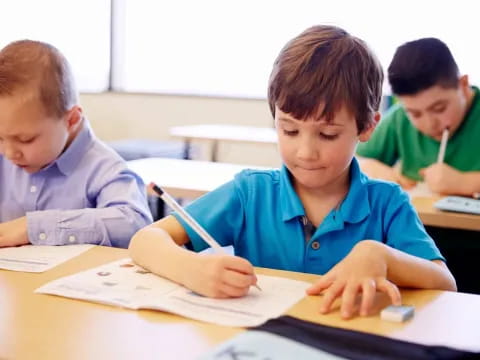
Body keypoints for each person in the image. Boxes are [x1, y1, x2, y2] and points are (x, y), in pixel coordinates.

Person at [129, 26, 456, 319]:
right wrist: (191, 268)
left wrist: (379, 255)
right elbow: (145, 240)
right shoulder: (251, 193)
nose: (305, 152)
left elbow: (446, 284)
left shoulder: (387, 203)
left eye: (327, 134)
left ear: (367, 127)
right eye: (289, 130)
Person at [0, 40, 152, 248]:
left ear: (71, 120)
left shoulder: (104, 169)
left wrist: (33, 227)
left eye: (25, 139)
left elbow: (134, 224)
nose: (9, 153)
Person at [357, 38, 480, 195]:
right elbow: (352, 159)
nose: (429, 124)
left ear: (463, 85)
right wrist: (368, 167)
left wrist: (465, 183)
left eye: (439, 108)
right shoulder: (400, 118)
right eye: (415, 114)